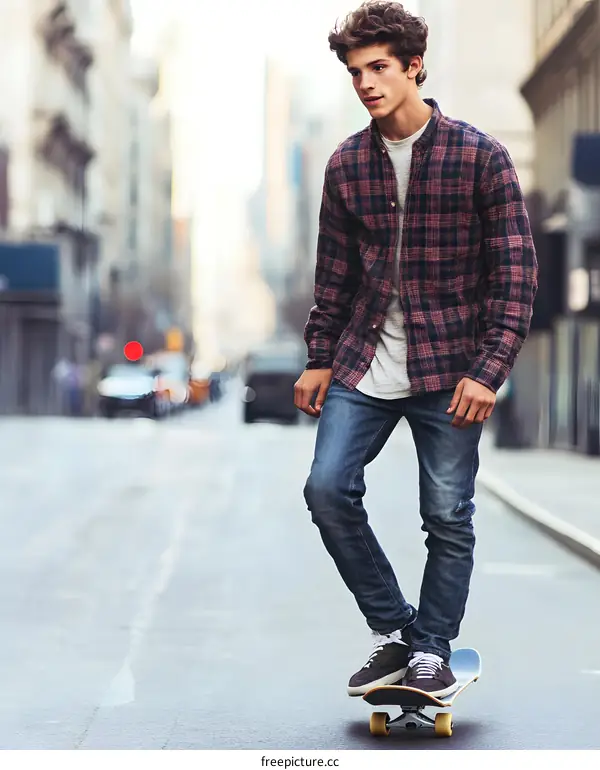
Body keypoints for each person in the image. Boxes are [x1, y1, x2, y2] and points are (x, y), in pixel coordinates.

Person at [294, 0, 538, 698]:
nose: (366, 82)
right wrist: (318, 355)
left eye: (378, 67)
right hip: (363, 360)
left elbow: (516, 276)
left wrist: (489, 370)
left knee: (447, 514)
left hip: (451, 367)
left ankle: (431, 650)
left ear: (413, 67)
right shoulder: (346, 166)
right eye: (355, 72)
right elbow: (334, 275)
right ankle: (398, 631)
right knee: (327, 489)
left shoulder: (480, 157)